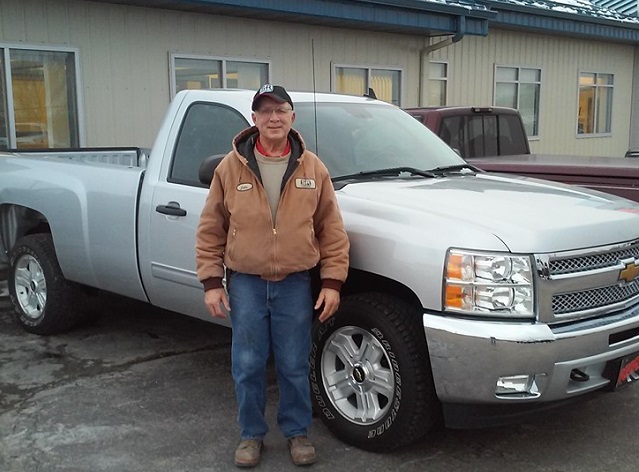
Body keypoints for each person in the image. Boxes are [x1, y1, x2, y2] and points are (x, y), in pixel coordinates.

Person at [195, 84, 350, 468]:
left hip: (296, 284)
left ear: (292, 116)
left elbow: (332, 229)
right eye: (265, 111)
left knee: (294, 363)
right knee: (247, 363)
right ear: (254, 119)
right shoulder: (230, 168)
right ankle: (251, 435)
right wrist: (212, 282)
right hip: (245, 283)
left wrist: (332, 282)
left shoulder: (312, 167)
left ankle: (297, 434)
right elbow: (211, 227)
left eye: (281, 110)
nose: (273, 118)